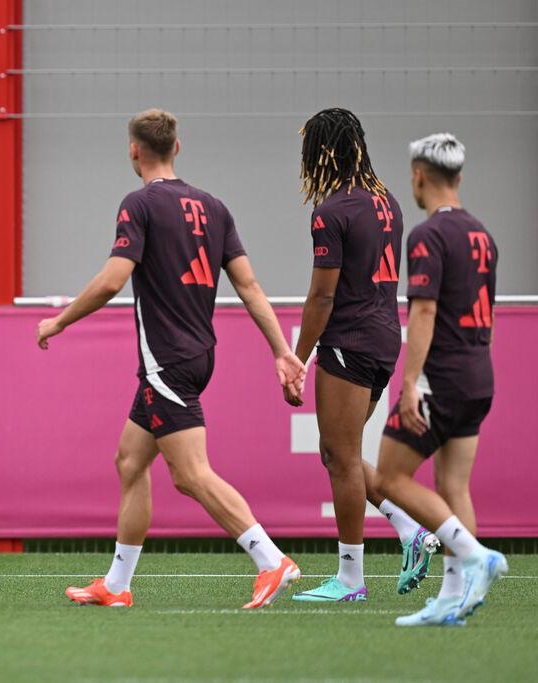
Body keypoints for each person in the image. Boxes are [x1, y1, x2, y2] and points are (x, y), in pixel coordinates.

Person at [37, 109, 306, 609]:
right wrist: (282, 351)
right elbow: (247, 285)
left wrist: (59, 321)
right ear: (176, 148)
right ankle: (116, 586)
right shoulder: (214, 207)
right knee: (130, 461)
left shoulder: (138, 205)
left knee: (190, 474)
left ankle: (272, 560)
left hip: (167, 362)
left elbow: (114, 279)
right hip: (198, 355)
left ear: (134, 150)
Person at [290, 108, 437, 603]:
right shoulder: (387, 202)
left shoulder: (331, 211)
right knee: (339, 454)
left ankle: (351, 579)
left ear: (322, 151)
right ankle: (408, 532)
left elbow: (322, 297)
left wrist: (298, 358)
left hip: (348, 340)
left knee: (342, 458)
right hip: (381, 339)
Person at [376, 133, 506, 626]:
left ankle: (475, 557)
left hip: (443, 378)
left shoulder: (428, 235)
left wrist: (410, 383)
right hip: (478, 375)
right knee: (454, 486)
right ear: (460, 177)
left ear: (418, 176)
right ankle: (455, 600)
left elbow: (425, 310)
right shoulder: (483, 236)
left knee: (390, 476)